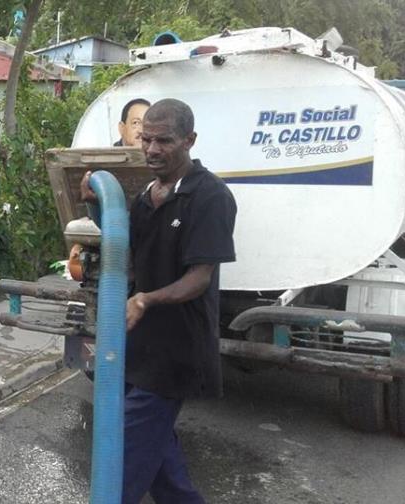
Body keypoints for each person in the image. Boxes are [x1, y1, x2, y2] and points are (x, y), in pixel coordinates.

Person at [82, 98, 237, 504]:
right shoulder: (146, 197)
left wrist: (145, 300)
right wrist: (93, 202)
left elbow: (199, 278)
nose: (151, 149)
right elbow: (126, 246)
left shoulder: (210, 197)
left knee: (123, 461)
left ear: (190, 140)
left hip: (176, 352)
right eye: (146, 138)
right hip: (140, 347)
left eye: (163, 141)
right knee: (163, 466)